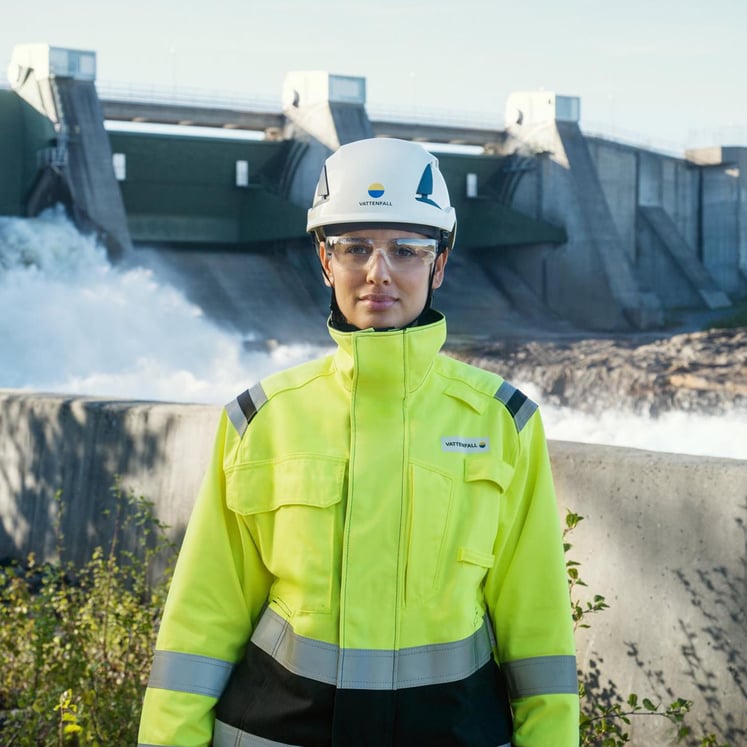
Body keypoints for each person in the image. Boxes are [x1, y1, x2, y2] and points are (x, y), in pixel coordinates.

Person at [138, 137, 579, 746]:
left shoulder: (502, 423)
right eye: (355, 248)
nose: (379, 272)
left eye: (406, 249)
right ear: (325, 261)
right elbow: (200, 624)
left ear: (439, 264)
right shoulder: (261, 418)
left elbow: (540, 636)